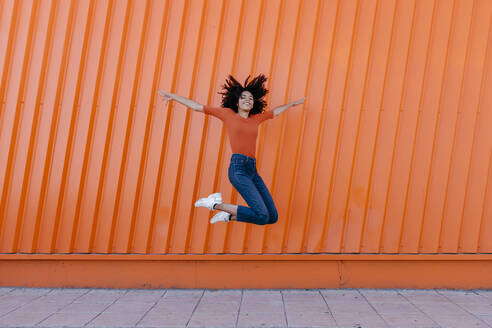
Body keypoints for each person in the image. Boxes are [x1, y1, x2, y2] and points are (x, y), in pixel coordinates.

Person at [158, 74, 304, 224]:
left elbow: (276, 111)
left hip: (252, 170)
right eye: (243, 97)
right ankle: (214, 204)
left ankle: (228, 216)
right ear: (237, 101)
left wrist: (291, 105)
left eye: (250, 98)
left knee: (272, 217)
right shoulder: (228, 114)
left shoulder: (256, 118)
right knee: (262, 216)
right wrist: (174, 97)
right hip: (238, 169)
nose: (248, 100)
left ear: (254, 103)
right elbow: (197, 107)